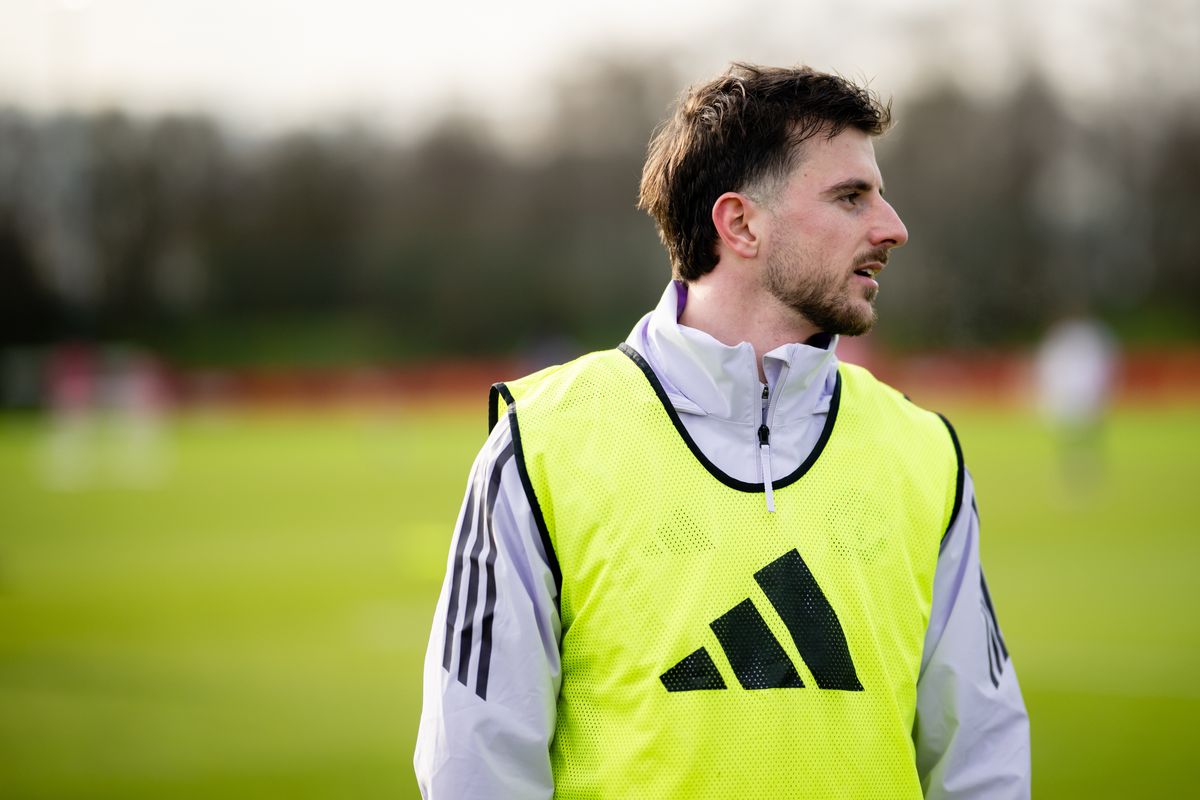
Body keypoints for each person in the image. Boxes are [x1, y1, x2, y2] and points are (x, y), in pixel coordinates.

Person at [415, 63, 1030, 799]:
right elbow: (474, 767)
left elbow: (983, 755)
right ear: (740, 223)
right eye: (850, 197)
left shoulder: (924, 452)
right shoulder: (540, 446)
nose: (891, 227)